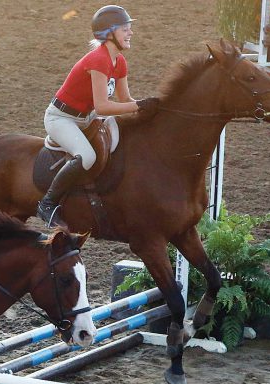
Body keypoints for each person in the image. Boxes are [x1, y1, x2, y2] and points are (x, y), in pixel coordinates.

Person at [37, 5, 159, 227]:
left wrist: (149, 108)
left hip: (88, 116)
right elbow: (103, 107)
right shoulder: (98, 59)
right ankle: (47, 203)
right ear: (108, 34)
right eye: (124, 29)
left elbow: (125, 101)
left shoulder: (119, 61)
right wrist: (139, 106)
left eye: (129, 28)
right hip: (61, 118)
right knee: (86, 156)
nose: (130, 32)